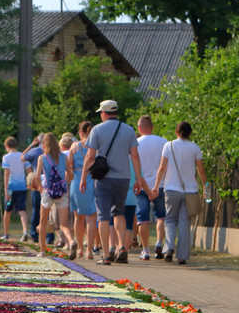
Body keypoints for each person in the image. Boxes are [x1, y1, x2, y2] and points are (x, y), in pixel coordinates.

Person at [81, 99, 148, 265]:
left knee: (103, 216)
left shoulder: (96, 130)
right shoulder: (128, 130)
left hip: (103, 179)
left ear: (104, 113)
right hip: (123, 178)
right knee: (119, 212)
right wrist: (138, 179)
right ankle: (121, 247)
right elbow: (134, 156)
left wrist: (83, 177)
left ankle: (106, 254)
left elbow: (90, 156)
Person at [153, 121, 207, 266]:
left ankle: (169, 247)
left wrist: (156, 185)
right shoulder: (195, 148)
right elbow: (201, 170)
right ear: (190, 133)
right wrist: (205, 187)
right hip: (190, 191)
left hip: (171, 189)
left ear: (177, 132)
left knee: (170, 220)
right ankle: (182, 257)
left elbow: (162, 168)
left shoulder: (168, 146)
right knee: (184, 223)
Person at [34, 132, 75, 258]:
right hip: (62, 192)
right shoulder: (63, 157)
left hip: (48, 192)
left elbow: (36, 177)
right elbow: (70, 175)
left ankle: (42, 250)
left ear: (45, 144)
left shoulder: (42, 158)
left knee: (43, 221)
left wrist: (40, 188)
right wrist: (66, 179)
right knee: (64, 224)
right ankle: (71, 241)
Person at [136, 115, 168, 259]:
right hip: (160, 185)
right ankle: (159, 243)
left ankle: (145, 249)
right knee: (161, 217)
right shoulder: (164, 143)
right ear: (152, 127)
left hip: (141, 186)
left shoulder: (135, 143)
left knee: (142, 219)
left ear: (139, 128)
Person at [69, 121, 97, 259]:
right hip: (92, 180)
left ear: (81, 132)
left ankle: (80, 247)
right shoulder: (96, 146)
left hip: (76, 180)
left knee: (78, 217)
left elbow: (70, 165)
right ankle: (90, 249)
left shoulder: (74, 146)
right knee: (91, 217)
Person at [1, 136, 30, 241]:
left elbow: (6, 173)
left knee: (7, 210)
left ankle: (6, 233)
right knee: (22, 210)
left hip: (11, 188)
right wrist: (29, 183)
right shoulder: (22, 155)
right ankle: (25, 230)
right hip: (22, 186)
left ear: (7, 146)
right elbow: (29, 170)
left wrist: (5, 189)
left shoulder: (6, 157)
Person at [22, 134, 48, 243]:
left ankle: (34, 234)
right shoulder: (53, 151)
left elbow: (22, 157)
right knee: (49, 211)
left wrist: (31, 145)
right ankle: (49, 235)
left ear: (39, 141)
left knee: (37, 209)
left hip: (38, 182)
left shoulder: (36, 151)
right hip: (49, 182)